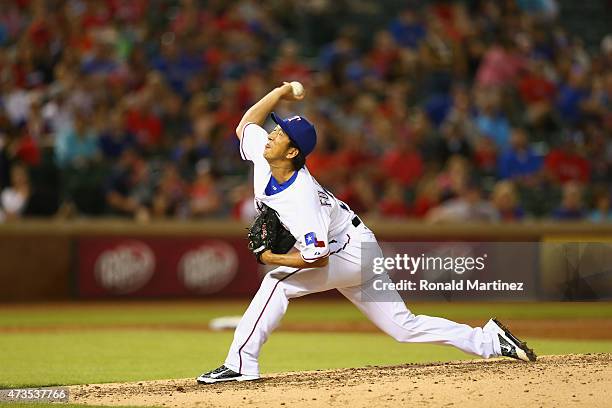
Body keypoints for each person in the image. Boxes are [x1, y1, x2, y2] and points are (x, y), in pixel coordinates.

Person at [196, 83, 536, 384]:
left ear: (292, 152)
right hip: (358, 244)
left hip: (350, 253)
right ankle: (490, 340)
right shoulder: (265, 155)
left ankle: (241, 364)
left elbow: (318, 257)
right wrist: (280, 92)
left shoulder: (299, 197)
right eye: (277, 128)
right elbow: (246, 126)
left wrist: (271, 258)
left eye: (281, 133)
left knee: (276, 283)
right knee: (404, 327)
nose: (272, 133)